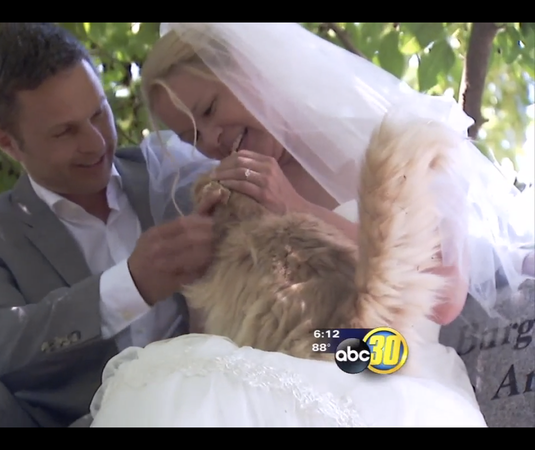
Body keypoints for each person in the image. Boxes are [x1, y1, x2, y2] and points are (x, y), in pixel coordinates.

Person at [87, 23, 534, 426]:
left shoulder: (398, 144)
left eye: (208, 110)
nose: (211, 140)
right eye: (190, 137)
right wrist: (212, 264)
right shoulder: (233, 190)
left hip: (385, 358)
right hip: (269, 369)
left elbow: (444, 295)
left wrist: (294, 208)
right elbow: (218, 338)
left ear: (249, 70)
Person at [0, 23, 220, 427]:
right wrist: (130, 286)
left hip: (213, 404)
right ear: (8, 143)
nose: (96, 143)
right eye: (65, 132)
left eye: (99, 112)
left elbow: (313, 324)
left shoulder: (175, 175)